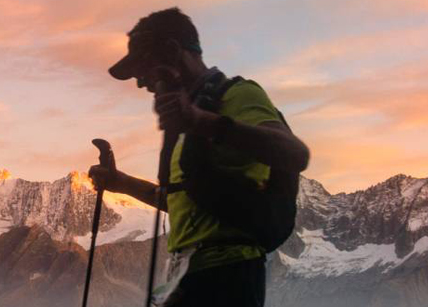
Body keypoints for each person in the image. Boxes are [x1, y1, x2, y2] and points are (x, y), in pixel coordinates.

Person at [88, 7, 310, 307]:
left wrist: (203, 123)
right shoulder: (187, 122)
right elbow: (190, 200)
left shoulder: (238, 95)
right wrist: (120, 182)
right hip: (191, 275)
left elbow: (295, 154)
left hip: (228, 275)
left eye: (144, 67)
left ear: (172, 51)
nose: (140, 82)